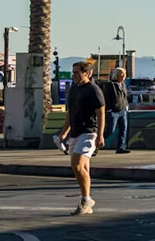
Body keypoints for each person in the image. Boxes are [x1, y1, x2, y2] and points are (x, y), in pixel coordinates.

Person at [54, 61, 106, 216]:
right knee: (83, 168)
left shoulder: (93, 90)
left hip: (89, 132)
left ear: (87, 73)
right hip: (75, 133)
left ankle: (86, 199)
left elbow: (101, 113)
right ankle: (87, 202)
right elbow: (70, 113)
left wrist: (101, 135)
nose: (74, 75)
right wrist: (64, 133)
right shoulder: (74, 89)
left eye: (77, 72)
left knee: (76, 165)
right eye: (73, 72)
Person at [98, 68, 131, 153]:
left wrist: (126, 106)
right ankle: (96, 144)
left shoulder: (123, 85)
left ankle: (121, 147)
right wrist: (109, 109)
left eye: (124, 74)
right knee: (110, 130)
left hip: (123, 110)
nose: (123, 76)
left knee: (123, 129)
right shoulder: (110, 85)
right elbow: (106, 98)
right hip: (113, 111)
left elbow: (124, 96)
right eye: (121, 74)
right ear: (116, 75)